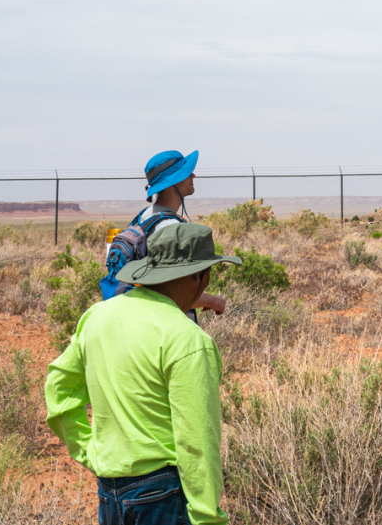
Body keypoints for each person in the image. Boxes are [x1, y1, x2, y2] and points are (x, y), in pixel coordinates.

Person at [46, 223, 241, 525]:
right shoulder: (188, 340)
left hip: (109, 491)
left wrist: (90, 452)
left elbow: (59, 391)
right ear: (198, 275)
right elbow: (197, 442)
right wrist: (207, 518)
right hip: (163, 494)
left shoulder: (98, 316)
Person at [101, 150, 225, 314]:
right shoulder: (169, 228)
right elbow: (175, 292)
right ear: (174, 181)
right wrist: (214, 301)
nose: (193, 175)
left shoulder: (144, 217)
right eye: (187, 173)